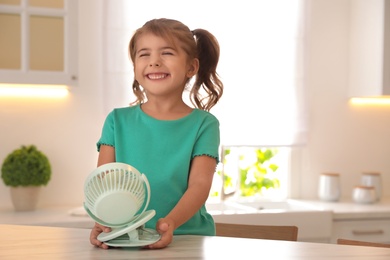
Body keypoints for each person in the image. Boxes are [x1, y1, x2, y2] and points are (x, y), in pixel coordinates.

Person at [90, 18, 223, 249]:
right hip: (126, 237)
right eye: (144, 55)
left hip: (186, 238)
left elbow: (200, 185)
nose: (154, 63)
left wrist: (170, 223)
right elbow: (103, 182)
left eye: (167, 53)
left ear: (191, 67)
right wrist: (103, 223)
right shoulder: (116, 121)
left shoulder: (204, 124)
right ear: (135, 67)